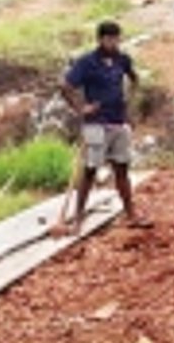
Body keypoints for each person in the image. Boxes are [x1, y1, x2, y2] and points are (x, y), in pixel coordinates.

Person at [61, 21, 150, 231]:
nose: (114, 43)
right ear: (100, 39)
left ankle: (131, 214)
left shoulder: (122, 59)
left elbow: (134, 78)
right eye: (109, 39)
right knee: (90, 170)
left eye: (117, 39)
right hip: (96, 123)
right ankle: (79, 218)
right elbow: (66, 86)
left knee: (122, 169)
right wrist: (81, 108)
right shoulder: (87, 62)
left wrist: (129, 102)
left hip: (118, 122)